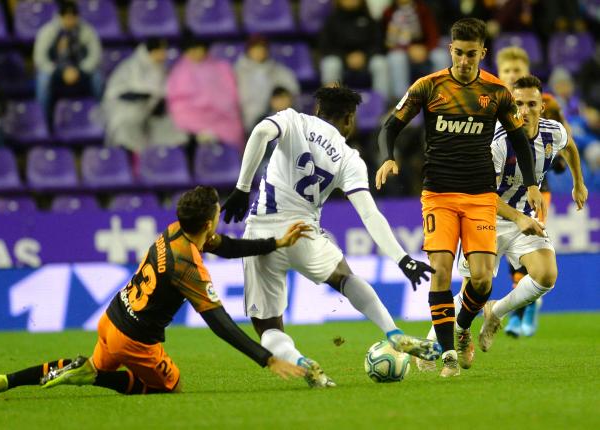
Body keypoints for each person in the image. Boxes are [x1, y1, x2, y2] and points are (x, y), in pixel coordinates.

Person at [0, 186, 310, 400]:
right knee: (169, 387)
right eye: (217, 213)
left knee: (85, 363)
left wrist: (276, 243)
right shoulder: (187, 265)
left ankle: (4, 380)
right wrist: (267, 358)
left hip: (112, 319)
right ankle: (95, 377)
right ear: (208, 222)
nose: (219, 218)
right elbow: (219, 323)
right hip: (134, 341)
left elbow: (227, 246)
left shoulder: (175, 231)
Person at [220, 85, 442, 388]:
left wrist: (242, 188)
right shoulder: (350, 158)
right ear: (349, 119)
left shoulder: (293, 120)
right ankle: (392, 332)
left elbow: (260, 132)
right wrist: (402, 258)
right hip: (303, 234)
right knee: (345, 278)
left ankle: (302, 363)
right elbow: (369, 214)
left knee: (269, 327)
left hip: (261, 231)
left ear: (317, 110)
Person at [375, 18, 543, 377]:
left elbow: (518, 140)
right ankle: (447, 352)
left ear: (483, 52)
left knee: (482, 280)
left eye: (472, 53)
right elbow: (391, 125)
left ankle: (464, 327)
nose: (465, 60)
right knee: (440, 274)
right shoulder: (429, 86)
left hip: (481, 195)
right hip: (438, 194)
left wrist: (530, 183)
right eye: (459, 52)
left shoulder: (497, 92)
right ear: (450, 50)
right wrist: (387, 157)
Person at [460, 76, 587, 355]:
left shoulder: (553, 131)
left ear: (542, 107)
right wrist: (518, 218)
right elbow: (483, 193)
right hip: (486, 217)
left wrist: (579, 183)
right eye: (518, 104)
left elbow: (570, 148)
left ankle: (497, 312)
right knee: (476, 288)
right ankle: (444, 338)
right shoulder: (497, 141)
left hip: (523, 217)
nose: (525, 110)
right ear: (510, 106)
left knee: (546, 275)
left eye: (532, 104)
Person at [102, 38, 187, 154]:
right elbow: (117, 92)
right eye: (161, 51)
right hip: (125, 111)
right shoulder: (133, 66)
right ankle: (135, 161)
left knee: (172, 127)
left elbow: (162, 93)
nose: (164, 54)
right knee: (128, 133)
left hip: (148, 112)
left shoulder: (160, 68)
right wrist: (145, 96)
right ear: (153, 51)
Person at [166, 34, 244, 151]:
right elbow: (176, 101)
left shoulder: (221, 67)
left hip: (220, 115)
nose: (195, 52)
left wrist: (215, 105)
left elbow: (230, 93)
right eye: (191, 50)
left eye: (198, 48)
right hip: (193, 116)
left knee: (235, 129)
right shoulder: (178, 71)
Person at [33, 0, 102, 126]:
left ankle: (99, 116)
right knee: (42, 80)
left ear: (77, 17)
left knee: (97, 77)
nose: (70, 21)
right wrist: (59, 72)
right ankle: (44, 121)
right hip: (56, 70)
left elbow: (95, 55)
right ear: (60, 16)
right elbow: (40, 59)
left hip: (79, 70)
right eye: (66, 17)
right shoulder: (48, 31)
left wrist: (80, 70)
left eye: (73, 17)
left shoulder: (86, 31)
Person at [235, 35, 299, 133]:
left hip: (274, 120)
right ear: (248, 50)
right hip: (242, 122)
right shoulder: (236, 72)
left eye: (262, 48)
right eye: (255, 48)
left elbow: (291, 93)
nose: (259, 52)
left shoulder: (281, 71)